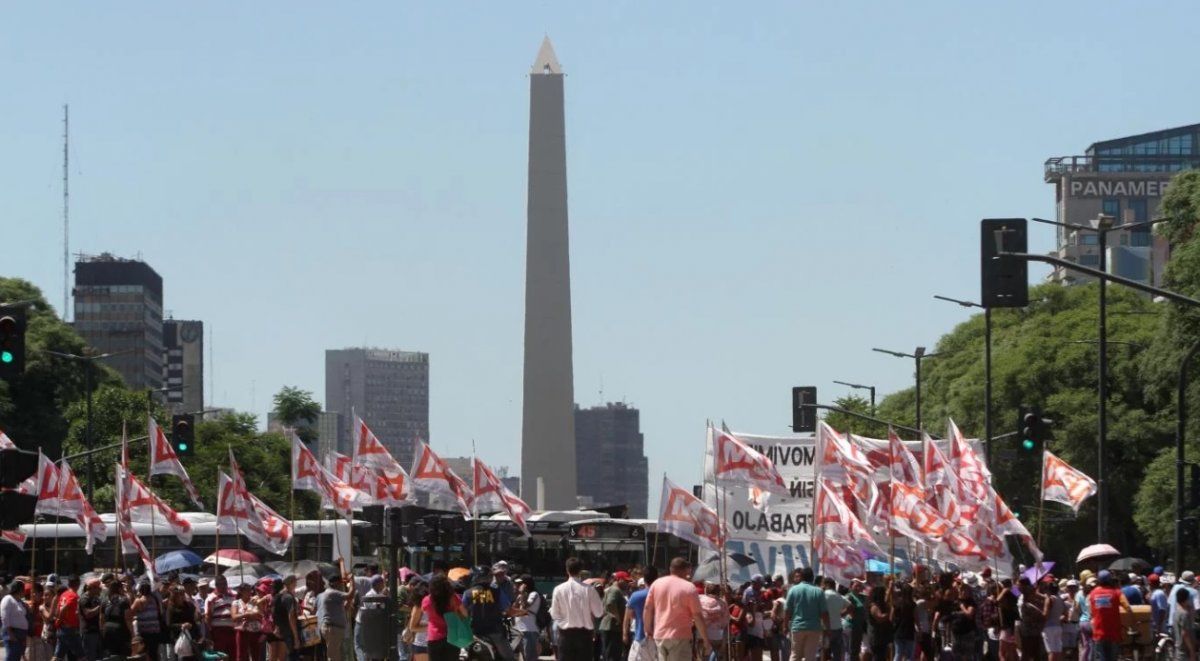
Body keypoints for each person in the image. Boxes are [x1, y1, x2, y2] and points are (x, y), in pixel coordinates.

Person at [550, 558, 604, 661]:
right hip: (584, 636)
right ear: (580, 571)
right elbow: (599, 612)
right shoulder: (589, 590)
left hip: (565, 635)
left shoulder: (558, 589)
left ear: (567, 570)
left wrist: (564, 623)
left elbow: (554, 614)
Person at [782, 567, 826, 661]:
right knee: (810, 656)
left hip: (797, 627)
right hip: (814, 627)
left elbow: (787, 610)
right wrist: (828, 628)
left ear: (802, 577)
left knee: (795, 655)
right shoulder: (819, 591)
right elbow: (824, 612)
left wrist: (785, 626)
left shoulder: (793, 590)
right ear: (812, 577)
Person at [1088, 570, 1133, 661]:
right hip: (1114, 633)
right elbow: (1128, 608)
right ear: (1110, 580)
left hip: (1098, 632)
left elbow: (1091, 612)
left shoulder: (1092, 594)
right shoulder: (1117, 593)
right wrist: (1130, 623)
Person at [421, 574, 466, 661]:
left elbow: (424, 610)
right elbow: (465, 614)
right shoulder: (453, 598)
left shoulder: (427, 600)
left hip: (434, 637)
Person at [316, 564, 355, 661]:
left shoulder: (324, 595)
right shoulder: (332, 593)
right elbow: (350, 595)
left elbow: (344, 607)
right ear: (336, 583)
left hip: (329, 628)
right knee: (333, 656)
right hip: (333, 628)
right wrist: (352, 581)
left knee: (334, 654)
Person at [598, 571, 629, 661]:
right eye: (626, 581)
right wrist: (618, 618)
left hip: (612, 628)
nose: (627, 583)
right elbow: (610, 604)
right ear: (619, 580)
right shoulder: (615, 590)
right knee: (612, 656)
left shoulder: (615, 590)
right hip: (612, 628)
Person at [129, 582, 164, 661]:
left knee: (144, 654)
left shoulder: (139, 601)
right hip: (155, 630)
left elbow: (130, 613)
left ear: (140, 590)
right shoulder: (155, 599)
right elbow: (161, 612)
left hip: (144, 631)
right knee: (154, 653)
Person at [206, 576, 237, 660]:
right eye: (221, 584)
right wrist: (210, 631)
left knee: (233, 654)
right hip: (218, 631)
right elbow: (208, 616)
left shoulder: (234, 595)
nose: (224, 586)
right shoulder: (211, 598)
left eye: (225, 583)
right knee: (220, 655)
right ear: (216, 586)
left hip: (232, 630)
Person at [512, 575, 543, 661]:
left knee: (529, 657)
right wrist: (518, 595)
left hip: (529, 630)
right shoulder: (521, 595)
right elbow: (513, 609)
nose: (518, 585)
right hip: (518, 630)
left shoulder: (534, 594)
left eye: (520, 583)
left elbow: (525, 606)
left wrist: (522, 593)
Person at [269, 577, 300, 661]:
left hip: (282, 632)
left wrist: (277, 628)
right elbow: (291, 617)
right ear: (291, 583)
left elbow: (273, 614)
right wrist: (296, 637)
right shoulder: (288, 597)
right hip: (290, 633)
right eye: (295, 582)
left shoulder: (276, 597)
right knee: (292, 657)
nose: (296, 584)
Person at [100, 578, 132, 659]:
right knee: (123, 654)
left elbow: (101, 619)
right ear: (120, 588)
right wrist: (132, 632)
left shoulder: (105, 601)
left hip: (108, 629)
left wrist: (103, 631)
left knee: (111, 654)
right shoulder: (124, 600)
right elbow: (128, 618)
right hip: (121, 629)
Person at [232, 584, 263, 661]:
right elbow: (234, 617)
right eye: (247, 590)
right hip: (242, 632)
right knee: (241, 656)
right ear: (241, 592)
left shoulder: (255, 601)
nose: (250, 592)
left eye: (250, 590)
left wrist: (254, 616)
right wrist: (247, 615)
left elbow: (261, 615)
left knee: (256, 655)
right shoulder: (236, 603)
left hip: (255, 632)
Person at [2, 580, 28, 661]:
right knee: (11, 656)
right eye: (23, 589)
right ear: (19, 590)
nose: (24, 592)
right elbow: (4, 617)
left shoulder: (19, 601)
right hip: (13, 632)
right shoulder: (8, 599)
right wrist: (10, 634)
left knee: (16, 657)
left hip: (20, 634)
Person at [403, 579, 429, 661]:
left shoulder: (432, 605)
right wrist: (431, 627)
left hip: (431, 644)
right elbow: (413, 627)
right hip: (422, 645)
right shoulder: (418, 607)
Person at [1040, 577, 1065, 661]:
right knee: (1058, 651)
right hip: (1058, 626)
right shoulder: (1060, 599)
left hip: (1049, 627)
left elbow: (1045, 614)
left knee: (1051, 651)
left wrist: (1039, 613)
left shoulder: (1049, 599)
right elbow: (1065, 613)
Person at [819, 578, 845, 661]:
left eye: (822, 584)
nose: (821, 586)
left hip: (826, 628)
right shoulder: (839, 595)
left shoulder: (823, 595)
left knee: (824, 650)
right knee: (837, 652)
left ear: (827, 584)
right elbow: (850, 606)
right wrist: (841, 614)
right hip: (838, 627)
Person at [891, 582, 916, 661]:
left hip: (898, 630)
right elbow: (916, 617)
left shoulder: (896, 603)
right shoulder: (912, 604)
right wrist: (919, 628)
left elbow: (891, 617)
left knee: (898, 653)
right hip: (909, 630)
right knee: (909, 654)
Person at [866, 585, 892, 661]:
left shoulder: (879, 605)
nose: (885, 595)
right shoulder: (874, 607)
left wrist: (890, 588)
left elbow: (886, 600)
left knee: (882, 656)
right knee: (878, 657)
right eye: (883, 594)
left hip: (881, 637)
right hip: (876, 638)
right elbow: (880, 618)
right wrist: (890, 612)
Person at [80, 579, 103, 661]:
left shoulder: (96, 598)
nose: (100, 590)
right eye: (98, 588)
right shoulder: (85, 598)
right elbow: (88, 614)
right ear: (92, 588)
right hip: (88, 632)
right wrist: (100, 607)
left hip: (96, 631)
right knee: (89, 656)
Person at [1171, 588, 1195, 661]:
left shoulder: (1175, 613)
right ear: (1186, 599)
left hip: (1177, 650)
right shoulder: (1184, 614)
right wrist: (1191, 651)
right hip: (1185, 652)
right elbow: (1185, 634)